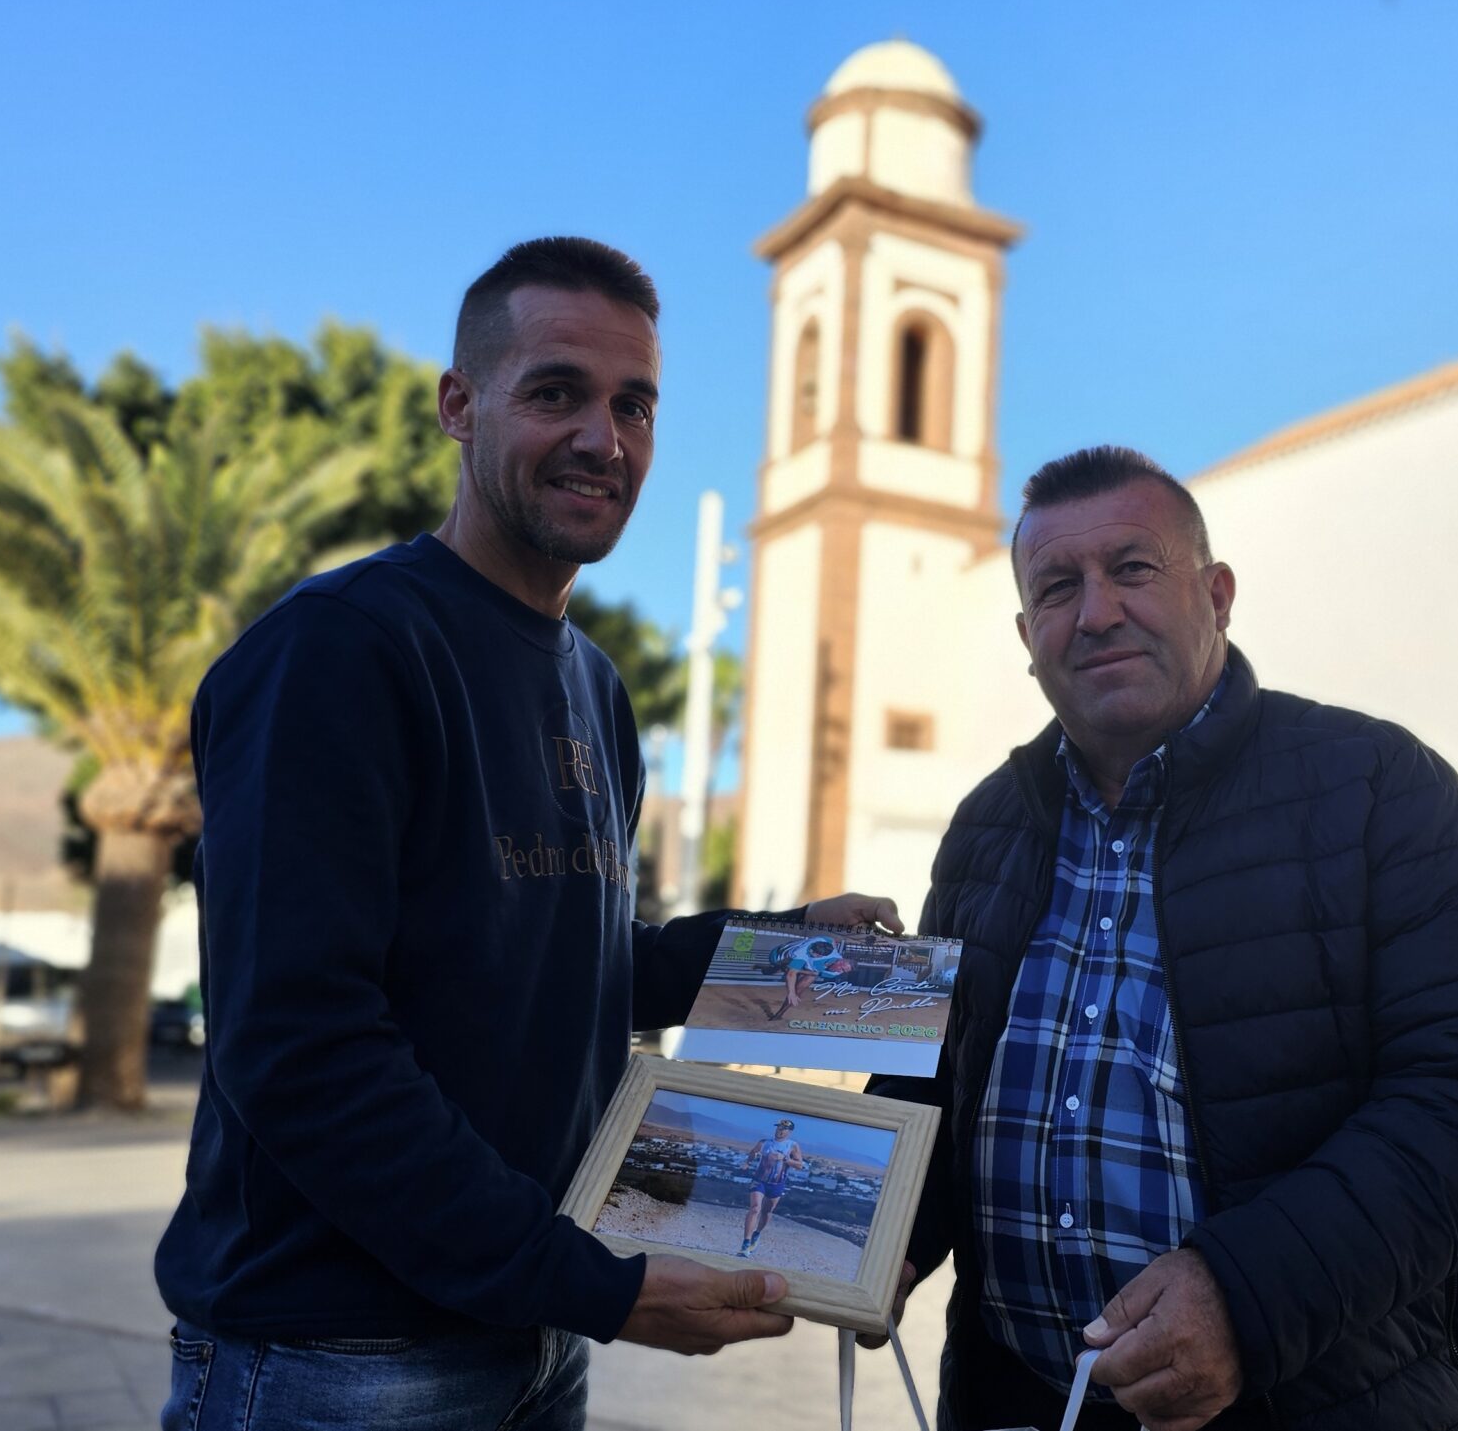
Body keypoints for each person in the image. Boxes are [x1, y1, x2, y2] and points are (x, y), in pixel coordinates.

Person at [152, 236, 903, 1431]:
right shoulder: (339, 650)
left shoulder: (595, 687)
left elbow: (568, 966)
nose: (604, 439)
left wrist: (789, 950)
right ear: (459, 404)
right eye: (556, 393)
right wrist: (592, 1281)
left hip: (533, 1347)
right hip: (340, 1359)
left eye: (633, 406)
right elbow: (298, 1044)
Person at [872, 447, 1458, 1431]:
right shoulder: (985, 828)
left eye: (1133, 568)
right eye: (1058, 587)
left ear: (1217, 595)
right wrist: (874, 1228)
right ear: (1028, 636)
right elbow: (941, 1084)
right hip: (1018, 1403)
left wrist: (1246, 1297)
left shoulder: (1378, 789)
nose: (1097, 611)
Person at [739, 1118, 807, 1255]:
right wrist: (747, 1162)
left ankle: (757, 1233)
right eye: (779, 1128)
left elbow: (800, 1165)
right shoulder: (764, 1142)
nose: (780, 1131)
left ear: (789, 1132)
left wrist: (786, 1159)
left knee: (767, 1211)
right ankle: (745, 1243)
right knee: (755, 1208)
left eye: (784, 1129)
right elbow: (753, 1152)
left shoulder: (792, 1146)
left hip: (777, 1184)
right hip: (759, 1180)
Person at [764, 934, 845, 1021]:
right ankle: (772, 969)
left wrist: (834, 949)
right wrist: (791, 993)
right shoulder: (800, 955)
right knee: (776, 972)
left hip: (793, 957)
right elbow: (791, 974)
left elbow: (831, 940)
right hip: (777, 958)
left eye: (820, 956)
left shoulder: (824, 941)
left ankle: (779, 1014)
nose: (818, 957)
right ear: (812, 950)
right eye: (816, 954)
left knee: (805, 981)